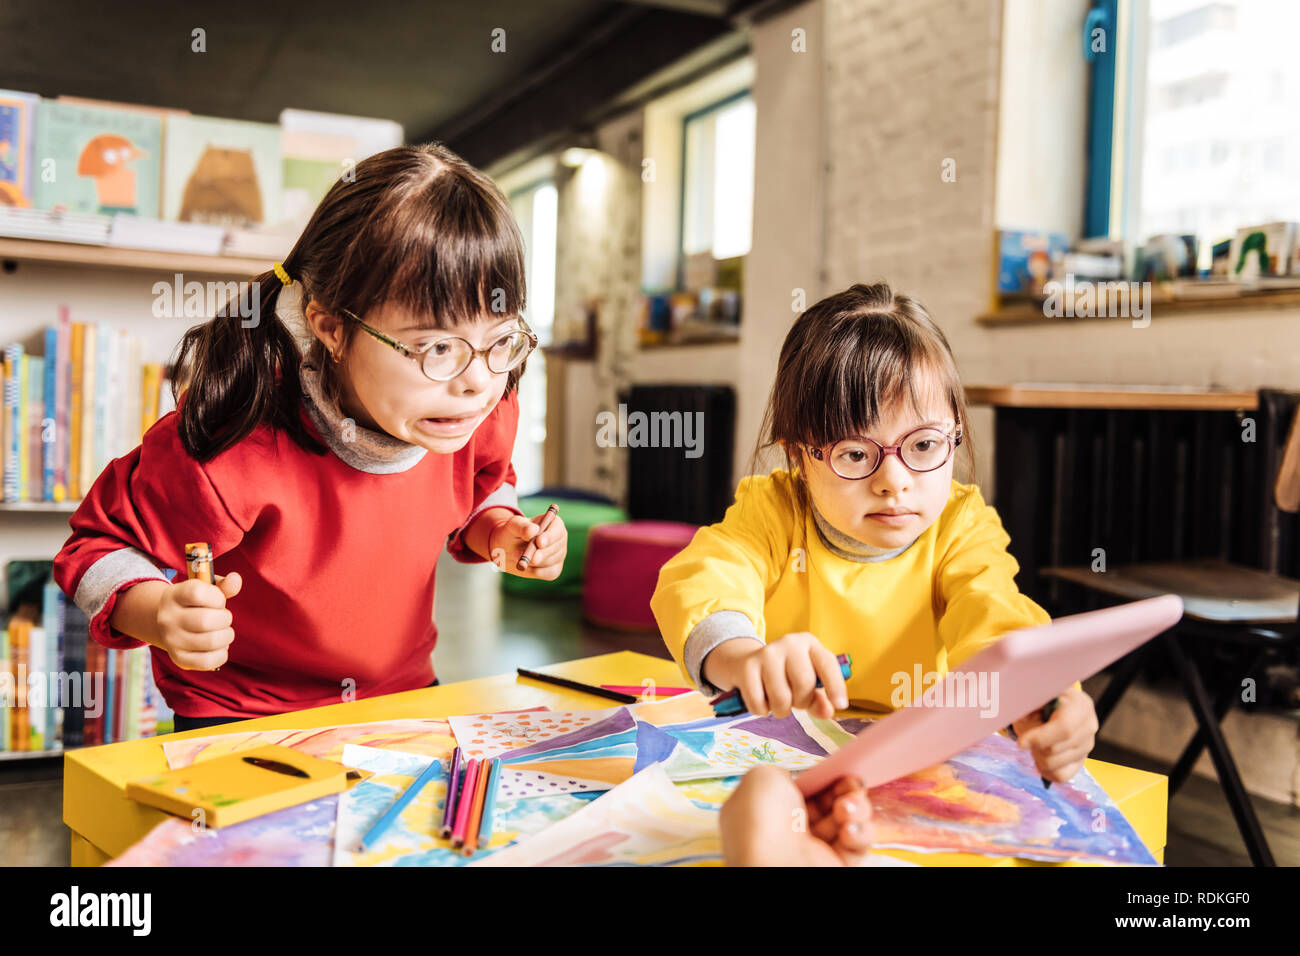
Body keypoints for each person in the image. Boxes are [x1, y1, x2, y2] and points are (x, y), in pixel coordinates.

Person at [53, 143, 567, 732]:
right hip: (247, 719)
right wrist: (157, 613)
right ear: (331, 327)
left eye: (500, 340)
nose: (476, 382)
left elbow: (482, 488)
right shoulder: (237, 438)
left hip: (402, 696)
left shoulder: (478, 410)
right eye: (437, 348)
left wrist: (504, 532)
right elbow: (96, 546)